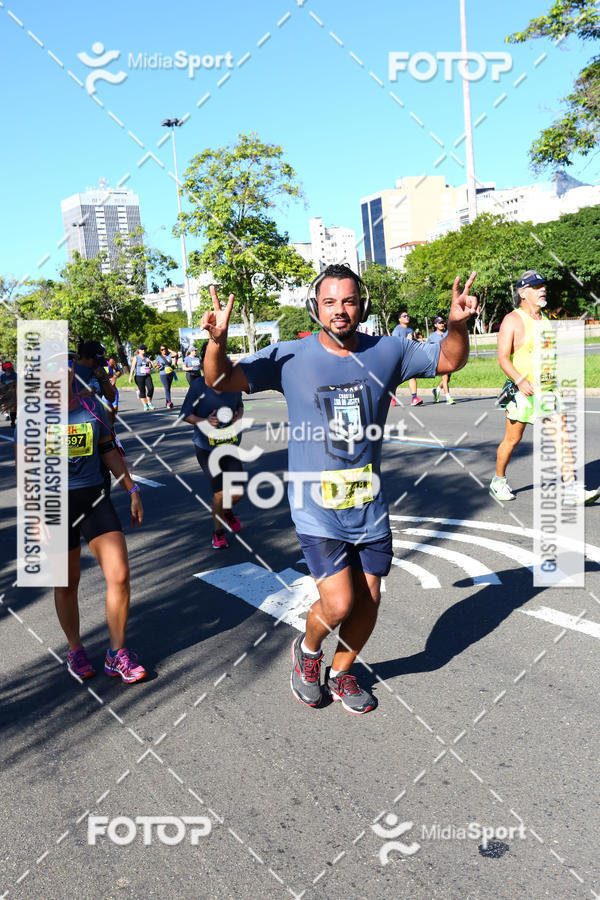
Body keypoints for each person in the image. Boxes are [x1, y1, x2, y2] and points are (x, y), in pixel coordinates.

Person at [201, 263, 479, 714]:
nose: (340, 311)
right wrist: (216, 344)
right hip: (316, 505)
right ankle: (308, 653)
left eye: (348, 301)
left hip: (368, 502)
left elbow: (448, 359)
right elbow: (219, 379)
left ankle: (342, 671)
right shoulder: (288, 356)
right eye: (329, 302)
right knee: (339, 602)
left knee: (369, 602)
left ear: (362, 303)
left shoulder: (389, 351)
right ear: (316, 308)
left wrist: (458, 326)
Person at [19, 353, 147, 683]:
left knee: (119, 575)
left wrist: (131, 490)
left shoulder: (92, 408)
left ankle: (116, 654)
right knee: (67, 581)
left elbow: (108, 450)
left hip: (94, 497)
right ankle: (75, 649)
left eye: (66, 362)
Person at [490, 270, 598, 504]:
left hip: (548, 390)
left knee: (561, 436)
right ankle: (498, 480)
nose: (543, 290)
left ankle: (571, 489)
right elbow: (503, 358)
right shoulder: (513, 320)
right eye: (536, 287)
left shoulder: (546, 320)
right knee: (512, 440)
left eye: (543, 286)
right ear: (522, 292)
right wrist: (520, 380)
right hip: (523, 391)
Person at [181, 372, 245, 548]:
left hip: (229, 445)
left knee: (238, 492)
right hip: (206, 448)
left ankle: (226, 511)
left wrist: (237, 417)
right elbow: (186, 414)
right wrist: (204, 421)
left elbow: (240, 407)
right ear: (204, 364)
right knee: (220, 492)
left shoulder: (233, 384)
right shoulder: (198, 387)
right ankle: (218, 534)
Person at [391, 311, 423, 406]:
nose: (407, 317)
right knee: (396, 378)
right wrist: (407, 340)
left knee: (412, 375)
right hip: (399, 356)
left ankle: (414, 398)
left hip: (409, 356)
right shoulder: (397, 330)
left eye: (408, 315)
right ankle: (392, 396)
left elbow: (412, 341)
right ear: (399, 319)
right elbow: (395, 344)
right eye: (404, 316)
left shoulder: (410, 329)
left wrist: (417, 342)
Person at [428, 316, 455, 404]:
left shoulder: (448, 333)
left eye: (443, 322)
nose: (442, 324)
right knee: (445, 377)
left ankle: (437, 390)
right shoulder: (432, 337)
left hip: (449, 359)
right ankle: (448, 398)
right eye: (439, 323)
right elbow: (427, 349)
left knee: (447, 379)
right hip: (439, 360)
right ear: (435, 325)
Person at [128, 345, 155, 411]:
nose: (144, 350)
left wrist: (149, 362)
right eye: (142, 349)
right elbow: (133, 367)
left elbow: (151, 367)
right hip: (139, 376)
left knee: (151, 388)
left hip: (147, 375)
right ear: (139, 350)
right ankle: (145, 405)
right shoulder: (136, 357)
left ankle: (149, 402)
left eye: (145, 349)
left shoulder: (146, 357)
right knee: (142, 390)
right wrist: (130, 377)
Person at [154, 344, 178, 409]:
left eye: (165, 349)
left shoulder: (169, 355)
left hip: (170, 373)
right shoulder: (159, 357)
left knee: (168, 388)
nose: (163, 350)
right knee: (166, 388)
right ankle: (169, 402)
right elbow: (155, 364)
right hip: (163, 374)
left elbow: (175, 354)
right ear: (160, 350)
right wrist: (157, 366)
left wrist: (169, 349)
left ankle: (167, 403)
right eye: (162, 349)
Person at [0, 361, 17, 428]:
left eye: (9, 367)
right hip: (5, 394)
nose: (8, 369)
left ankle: (12, 421)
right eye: (7, 367)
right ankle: (6, 414)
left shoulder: (15, 375)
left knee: (13, 409)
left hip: (13, 394)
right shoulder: (2, 376)